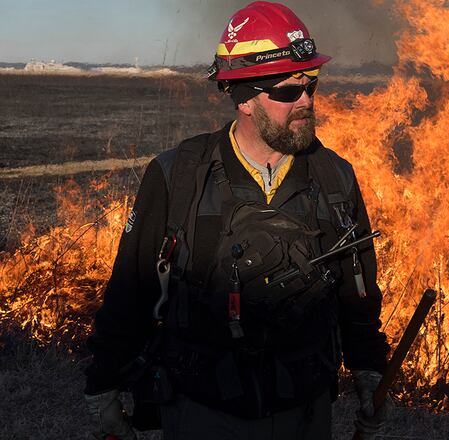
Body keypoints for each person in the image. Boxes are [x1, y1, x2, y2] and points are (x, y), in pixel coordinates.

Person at [83, 2, 390, 439]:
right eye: (287, 91)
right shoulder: (178, 177)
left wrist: (369, 372)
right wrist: (104, 387)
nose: (306, 100)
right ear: (244, 98)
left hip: (303, 414)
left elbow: (357, 292)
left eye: (311, 84)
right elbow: (130, 291)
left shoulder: (334, 177)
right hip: (201, 412)